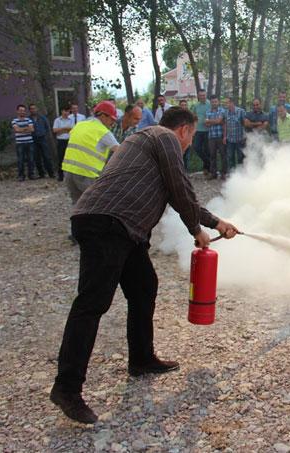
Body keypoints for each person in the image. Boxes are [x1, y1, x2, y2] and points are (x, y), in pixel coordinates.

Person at [49, 108, 238, 424]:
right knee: (91, 304)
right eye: (191, 135)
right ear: (183, 130)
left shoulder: (143, 142)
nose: (190, 143)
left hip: (122, 229)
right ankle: (66, 388)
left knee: (144, 286)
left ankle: (141, 358)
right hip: (108, 224)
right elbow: (180, 189)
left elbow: (181, 196)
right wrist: (198, 230)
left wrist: (217, 223)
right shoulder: (162, 136)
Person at [61, 101, 120, 206]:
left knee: (78, 205)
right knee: (94, 205)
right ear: (102, 115)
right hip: (87, 175)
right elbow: (121, 151)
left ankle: (77, 222)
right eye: (111, 119)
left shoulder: (79, 125)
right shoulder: (103, 131)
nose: (113, 123)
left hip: (68, 172)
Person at [29, 104, 55, 179]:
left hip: (43, 139)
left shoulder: (43, 118)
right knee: (36, 157)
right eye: (31, 109)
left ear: (37, 109)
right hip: (33, 139)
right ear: (30, 110)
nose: (33, 110)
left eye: (34, 108)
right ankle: (41, 174)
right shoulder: (28, 119)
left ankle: (51, 173)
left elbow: (47, 128)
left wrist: (45, 136)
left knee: (46, 156)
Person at [11, 104, 36, 181]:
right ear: (17, 111)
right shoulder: (14, 121)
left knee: (31, 159)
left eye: (24, 111)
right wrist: (26, 128)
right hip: (20, 143)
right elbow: (16, 130)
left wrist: (21, 129)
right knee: (20, 160)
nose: (22, 112)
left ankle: (31, 174)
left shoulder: (29, 120)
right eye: (20, 110)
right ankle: (21, 175)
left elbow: (32, 130)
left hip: (29, 142)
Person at [190, 90, 211, 176]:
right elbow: (193, 116)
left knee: (207, 150)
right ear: (198, 96)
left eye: (204, 95)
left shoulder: (210, 104)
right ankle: (208, 162)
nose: (202, 97)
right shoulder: (196, 105)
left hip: (208, 130)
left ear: (206, 95)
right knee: (196, 147)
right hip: (198, 130)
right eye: (200, 95)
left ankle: (207, 169)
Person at [205, 95, 226, 179]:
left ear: (218, 102)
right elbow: (206, 124)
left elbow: (220, 121)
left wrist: (210, 121)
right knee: (212, 156)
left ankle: (224, 173)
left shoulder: (222, 110)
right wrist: (217, 121)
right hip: (211, 136)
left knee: (223, 155)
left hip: (221, 136)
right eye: (212, 102)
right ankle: (213, 173)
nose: (214, 103)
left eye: (215, 101)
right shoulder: (207, 111)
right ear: (210, 103)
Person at [223, 96, 246, 168]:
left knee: (240, 158)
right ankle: (233, 175)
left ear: (232, 103)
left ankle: (241, 175)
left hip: (239, 139)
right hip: (230, 140)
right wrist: (224, 136)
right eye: (225, 103)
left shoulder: (241, 111)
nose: (226, 105)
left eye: (227, 103)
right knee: (230, 158)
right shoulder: (226, 112)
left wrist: (245, 136)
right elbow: (225, 125)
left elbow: (245, 124)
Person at [53, 107, 75, 181]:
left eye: (68, 111)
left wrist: (61, 130)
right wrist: (65, 128)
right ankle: (60, 175)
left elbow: (72, 130)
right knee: (60, 158)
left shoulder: (71, 120)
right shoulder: (57, 120)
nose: (66, 113)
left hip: (69, 141)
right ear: (62, 111)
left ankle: (70, 176)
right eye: (65, 111)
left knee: (70, 158)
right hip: (61, 141)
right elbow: (55, 130)